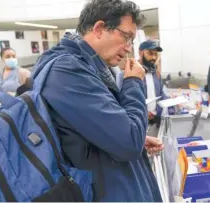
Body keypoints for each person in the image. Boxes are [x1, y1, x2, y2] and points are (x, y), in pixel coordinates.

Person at [31, 0, 163, 201]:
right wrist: (134, 82)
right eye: (126, 37)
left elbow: (92, 132)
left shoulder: (89, 67)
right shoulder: (67, 71)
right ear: (100, 28)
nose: (128, 48)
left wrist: (137, 138)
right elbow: (128, 142)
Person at [138, 40, 167, 135]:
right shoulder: (132, 72)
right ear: (141, 52)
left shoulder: (156, 74)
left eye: (156, 54)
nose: (153, 58)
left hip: (156, 121)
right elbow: (128, 98)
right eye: (150, 53)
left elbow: (161, 93)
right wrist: (143, 112)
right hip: (139, 122)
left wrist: (173, 103)